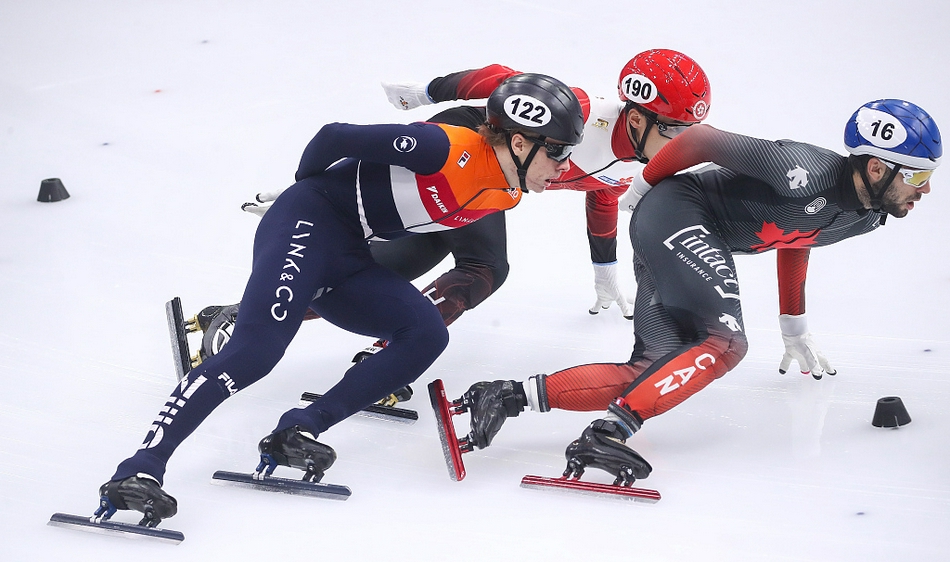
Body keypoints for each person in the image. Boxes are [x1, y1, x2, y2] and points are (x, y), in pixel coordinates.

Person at [96, 73, 585, 527]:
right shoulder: (441, 146)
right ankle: (139, 469)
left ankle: (297, 431)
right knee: (254, 354)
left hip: (351, 251)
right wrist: (307, 192)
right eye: (559, 152)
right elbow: (332, 136)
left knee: (425, 334)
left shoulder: (508, 192)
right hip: (306, 223)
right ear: (520, 142)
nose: (563, 167)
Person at [451, 98, 941, 485]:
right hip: (678, 211)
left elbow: (800, 235)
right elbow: (703, 138)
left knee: (652, 369)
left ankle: (503, 398)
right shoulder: (806, 167)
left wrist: (794, 325)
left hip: (676, 231)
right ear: (878, 168)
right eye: (918, 176)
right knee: (724, 342)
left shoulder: (868, 216)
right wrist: (641, 186)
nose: (924, 190)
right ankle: (607, 434)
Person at [186, 50, 714, 400]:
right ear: (639, 117)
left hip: (485, 186)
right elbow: (496, 79)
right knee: (485, 265)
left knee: (405, 261)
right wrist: (425, 92)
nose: (683, 143)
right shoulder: (579, 111)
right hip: (464, 146)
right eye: (677, 129)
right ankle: (388, 343)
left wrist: (604, 272)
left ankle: (245, 312)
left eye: (691, 130)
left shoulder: (637, 160)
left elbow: (602, 195)